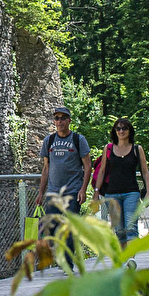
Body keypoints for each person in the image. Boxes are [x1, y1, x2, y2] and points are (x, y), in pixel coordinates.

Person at [35, 105, 90, 265]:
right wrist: (41, 193)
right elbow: (46, 168)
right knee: (50, 227)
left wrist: (83, 189)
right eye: (57, 118)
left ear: (69, 120)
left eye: (63, 118)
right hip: (53, 192)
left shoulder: (78, 140)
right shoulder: (49, 140)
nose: (59, 121)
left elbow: (88, 166)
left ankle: (67, 263)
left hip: (72, 191)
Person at [93, 117, 149, 246]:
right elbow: (102, 171)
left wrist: (148, 191)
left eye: (124, 128)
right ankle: (123, 257)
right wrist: (96, 193)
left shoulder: (137, 149)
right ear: (114, 131)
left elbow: (145, 171)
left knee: (131, 228)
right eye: (118, 128)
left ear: (130, 130)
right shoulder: (108, 148)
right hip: (112, 193)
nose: (121, 131)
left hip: (131, 193)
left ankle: (130, 257)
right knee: (119, 231)